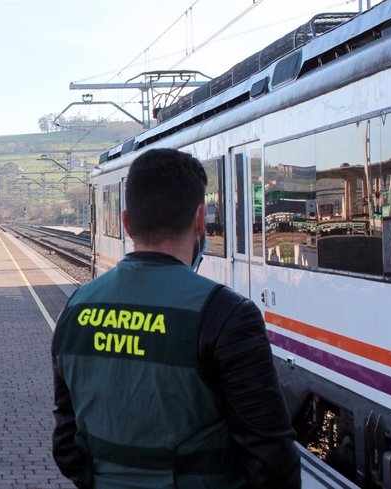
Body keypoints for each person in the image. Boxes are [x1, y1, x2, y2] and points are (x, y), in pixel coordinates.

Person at [52, 148, 300, 488]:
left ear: (126, 222)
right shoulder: (228, 315)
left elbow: (67, 445)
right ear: (201, 220)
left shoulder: (76, 309)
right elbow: (272, 459)